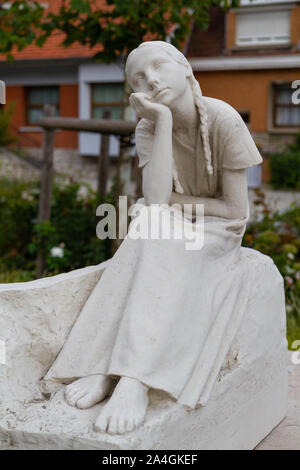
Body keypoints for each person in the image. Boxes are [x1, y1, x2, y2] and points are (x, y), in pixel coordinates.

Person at [43, 41, 262, 435]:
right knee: (148, 223)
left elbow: (234, 210)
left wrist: (172, 207)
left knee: (154, 225)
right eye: (139, 79)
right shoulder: (148, 128)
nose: (152, 80)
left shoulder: (223, 118)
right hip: (174, 220)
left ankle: (135, 378)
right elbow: (158, 199)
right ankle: (107, 369)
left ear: (185, 68)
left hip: (218, 229)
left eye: (159, 67)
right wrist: (160, 121)